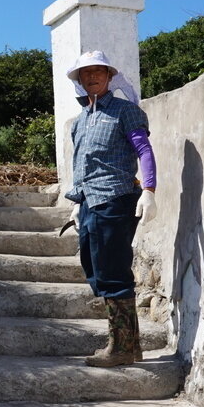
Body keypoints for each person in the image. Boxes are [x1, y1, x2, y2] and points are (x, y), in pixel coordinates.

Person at [63, 50, 157, 366]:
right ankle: (126, 344)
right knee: (95, 269)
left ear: (109, 76)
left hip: (116, 198)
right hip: (89, 201)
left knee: (113, 270)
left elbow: (143, 149)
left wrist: (149, 190)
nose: (92, 77)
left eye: (98, 72)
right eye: (85, 73)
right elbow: (81, 163)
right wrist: (77, 204)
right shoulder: (80, 122)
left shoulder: (124, 111)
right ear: (79, 80)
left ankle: (123, 348)